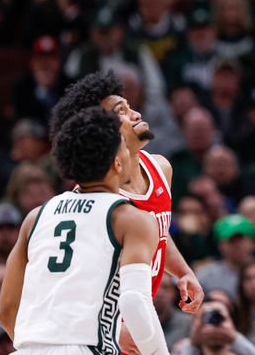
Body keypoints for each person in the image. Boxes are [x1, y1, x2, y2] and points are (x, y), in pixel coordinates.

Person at [48, 70, 205, 352]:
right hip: (97, 335)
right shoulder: (90, 199)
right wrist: (111, 328)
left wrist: (182, 272)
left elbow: (155, 233)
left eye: (130, 105)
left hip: (138, 322)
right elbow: (71, 285)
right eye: (122, 111)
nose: (135, 114)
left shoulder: (161, 168)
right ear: (99, 130)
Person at [0, 107, 168, 354]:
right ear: (117, 162)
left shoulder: (35, 217)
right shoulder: (131, 219)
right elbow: (134, 302)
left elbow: (6, 309)